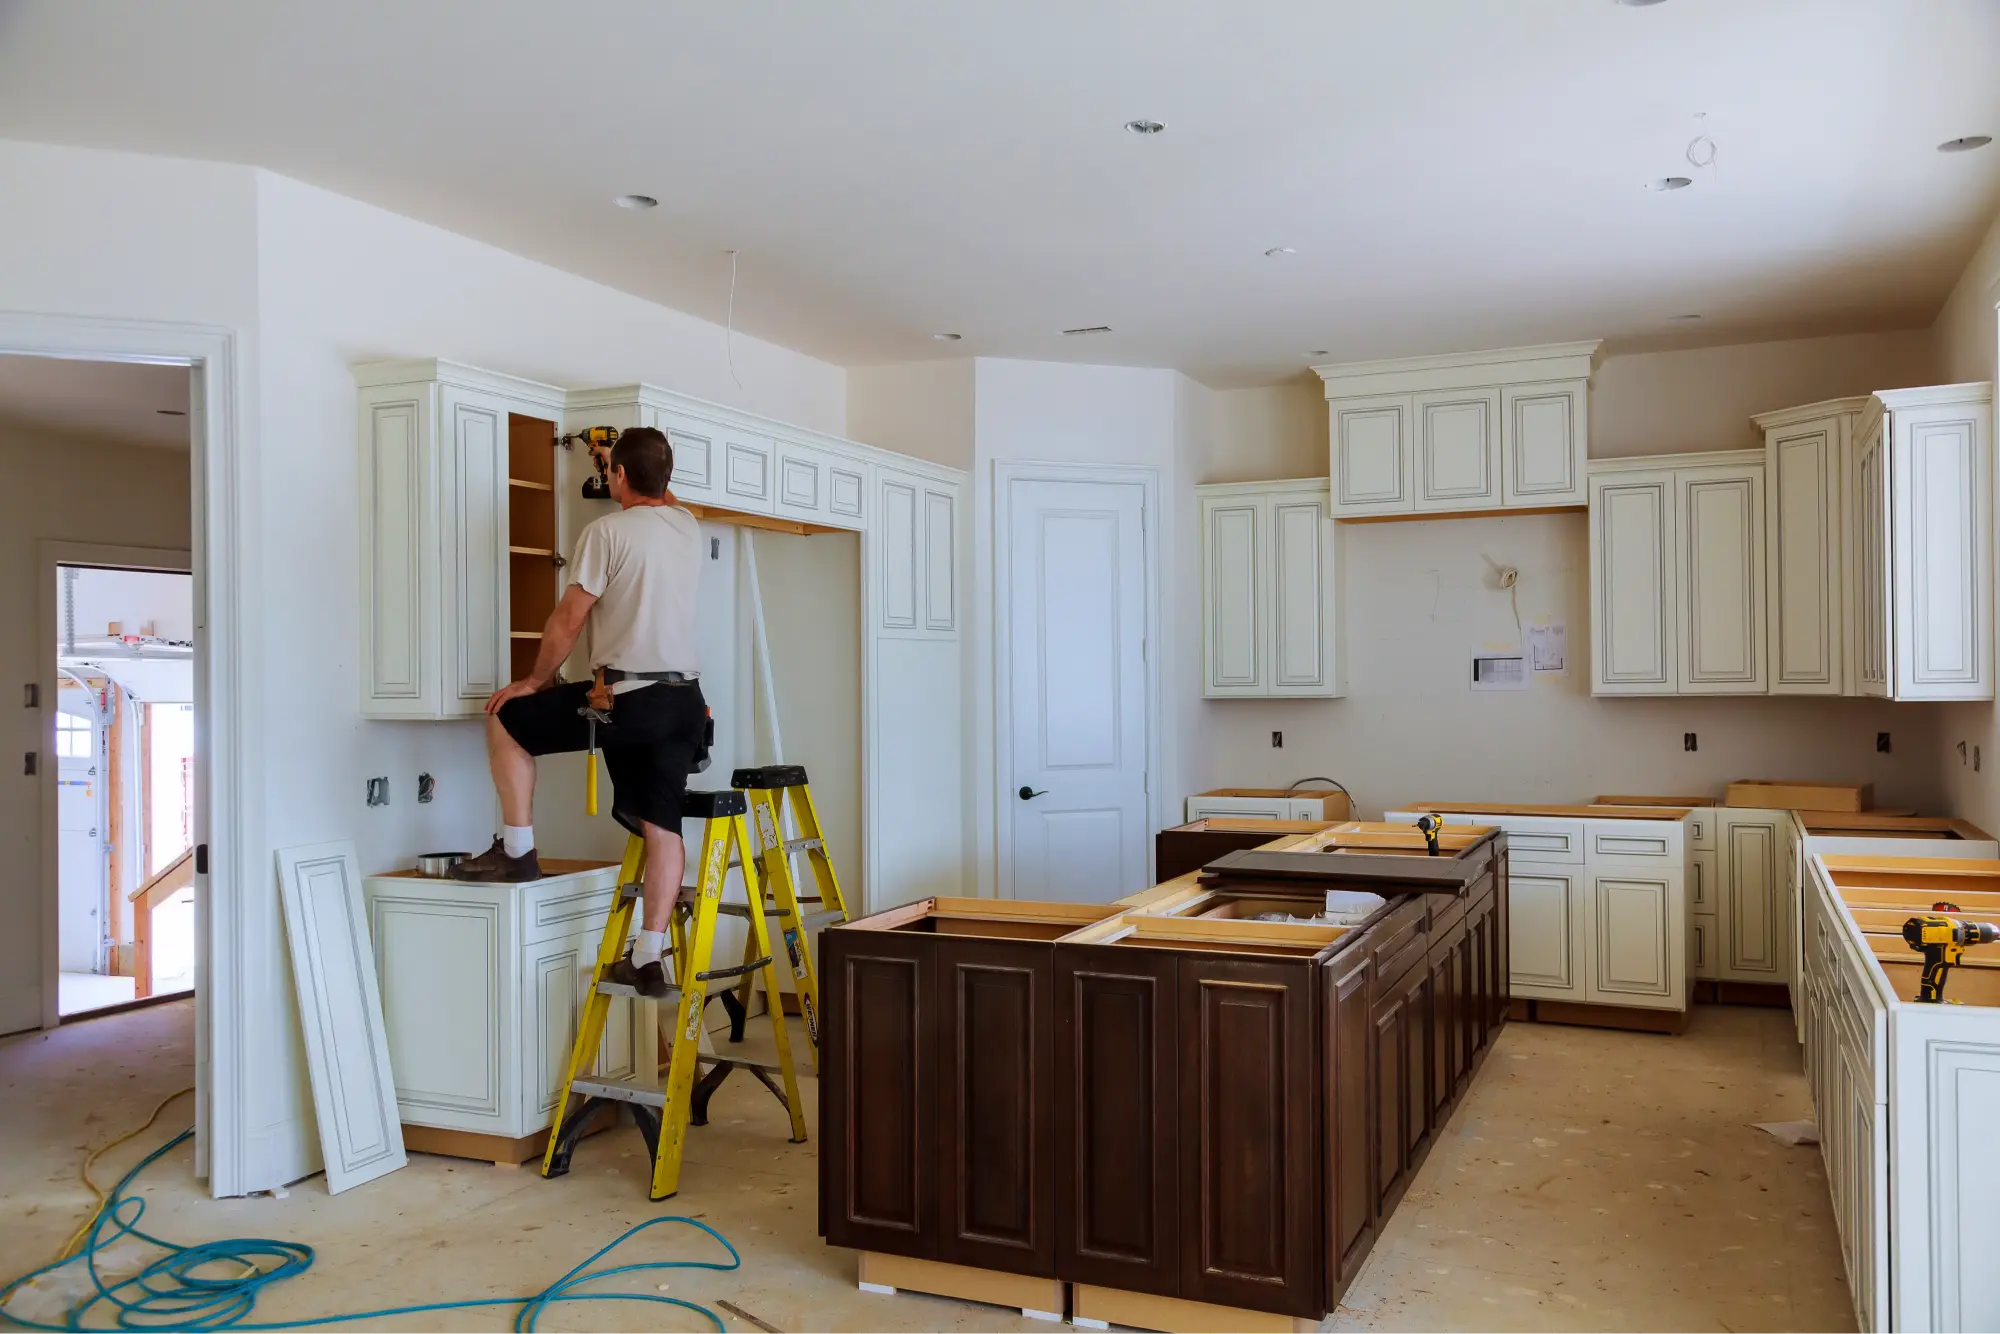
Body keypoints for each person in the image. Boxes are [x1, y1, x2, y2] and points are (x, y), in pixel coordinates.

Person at [454, 426, 706, 998]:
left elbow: (569, 619)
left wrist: (535, 681)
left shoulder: (606, 532)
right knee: (663, 826)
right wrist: (619, 460)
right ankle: (647, 959)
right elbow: (656, 491)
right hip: (683, 702)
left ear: (617, 476)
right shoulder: (687, 526)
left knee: (506, 718)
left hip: (628, 698)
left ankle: (517, 852)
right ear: (666, 478)